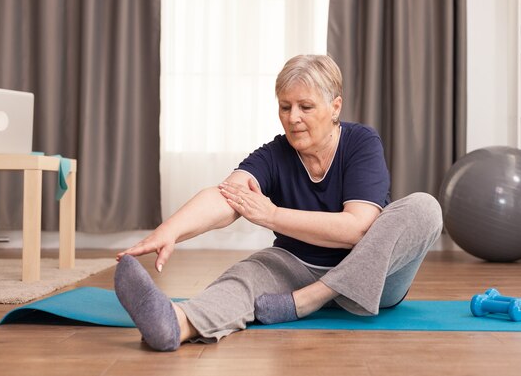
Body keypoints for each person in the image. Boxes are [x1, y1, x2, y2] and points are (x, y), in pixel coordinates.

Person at [114, 54, 443, 352]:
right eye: (285, 107)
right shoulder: (275, 153)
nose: (293, 118)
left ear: (335, 107)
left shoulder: (361, 142)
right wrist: (169, 231)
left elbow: (355, 229)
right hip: (295, 267)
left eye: (306, 107)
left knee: (424, 207)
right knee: (246, 275)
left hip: (374, 279)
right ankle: (176, 323)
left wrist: (272, 215)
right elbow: (226, 195)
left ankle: (312, 299)